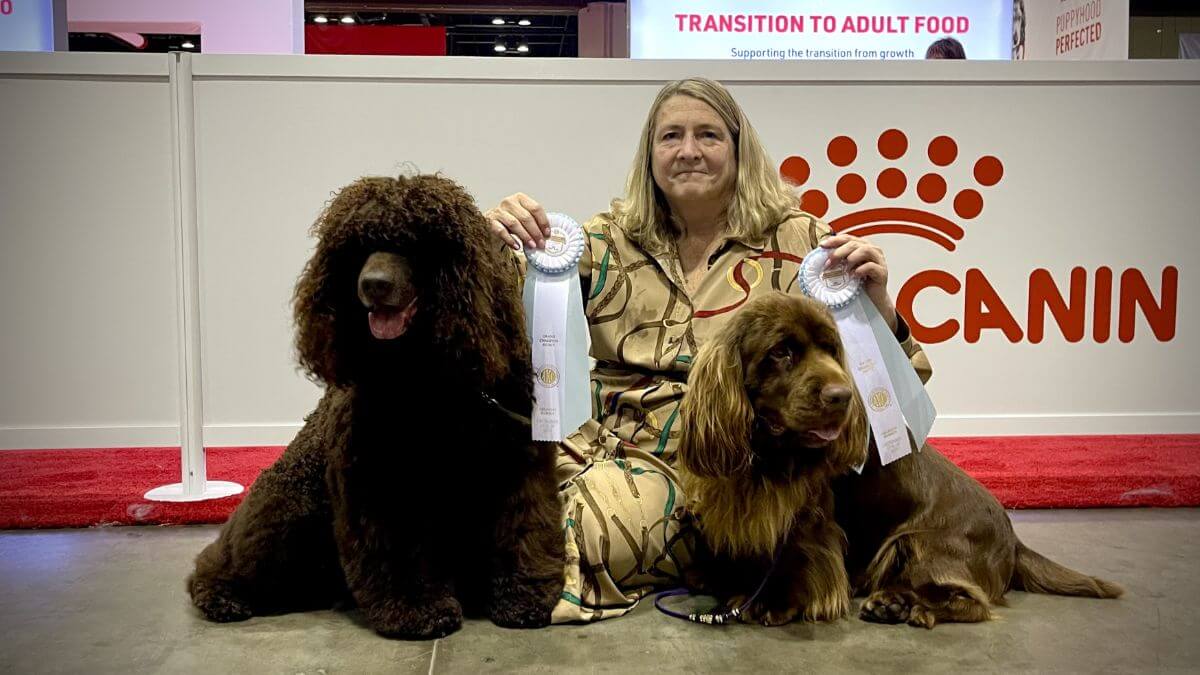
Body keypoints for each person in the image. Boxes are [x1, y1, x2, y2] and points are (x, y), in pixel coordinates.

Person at [485, 77, 931, 623]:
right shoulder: (600, 241)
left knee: (561, 535)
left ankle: (709, 554)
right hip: (617, 446)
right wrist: (491, 237)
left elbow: (897, 392)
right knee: (491, 495)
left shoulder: (803, 242)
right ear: (649, 154)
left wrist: (880, 307)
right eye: (670, 135)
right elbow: (494, 322)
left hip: (734, 472)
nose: (689, 151)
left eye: (709, 135)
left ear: (740, 149)